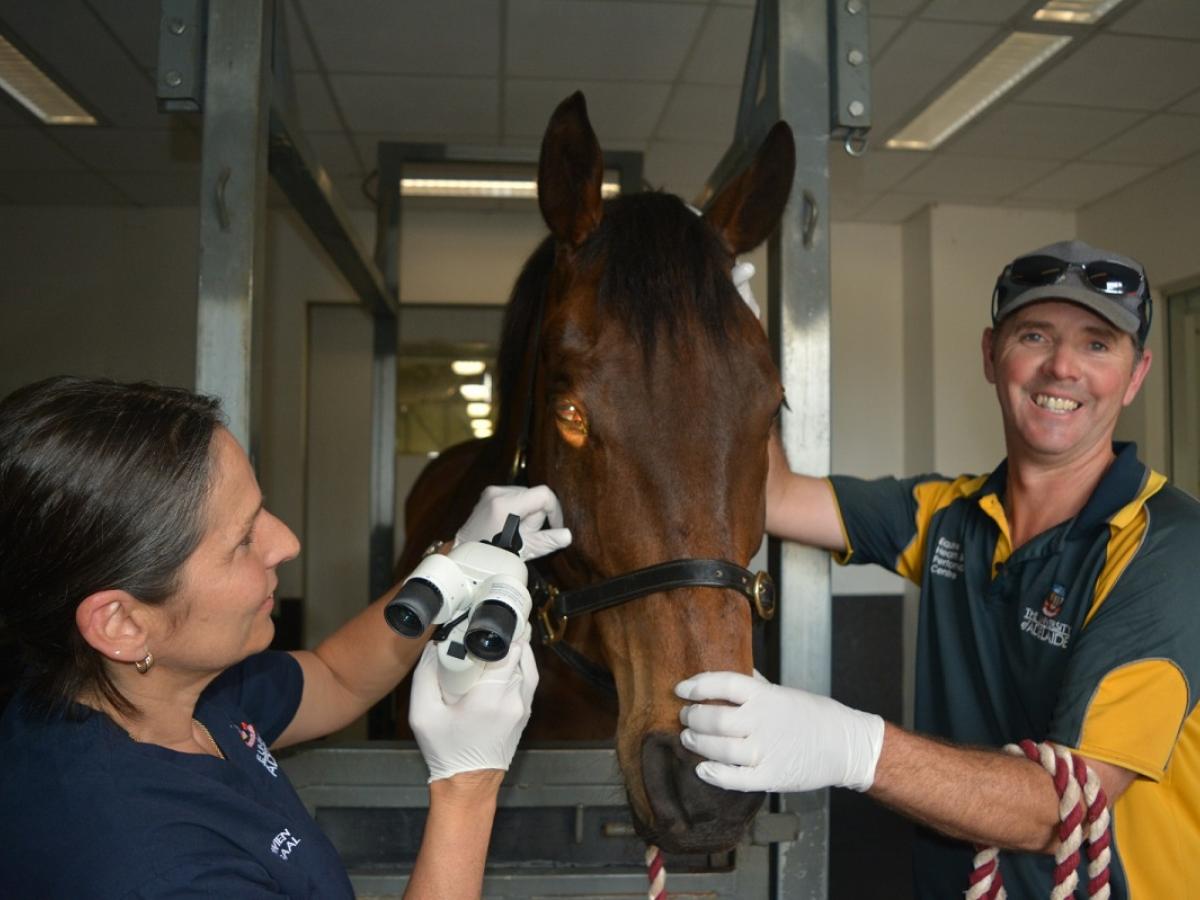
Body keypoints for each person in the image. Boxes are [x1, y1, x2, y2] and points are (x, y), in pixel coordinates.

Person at [674, 240, 1200, 898]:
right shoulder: (950, 515)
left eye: (1098, 344)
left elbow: (1061, 807)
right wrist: (736, 345)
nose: (1063, 367)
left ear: (1137, 372)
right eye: (1034, 335)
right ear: (990, 355)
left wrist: (851, 747)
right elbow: (775, 496)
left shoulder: (1170, 550)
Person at [0, 376, 570, 899]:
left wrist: (449, 565)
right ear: (122, 624)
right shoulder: (153, 869)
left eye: (261, 507)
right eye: (244, 539)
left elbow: (336, 676)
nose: (286, 542)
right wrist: (466, 792)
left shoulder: (166, 690)